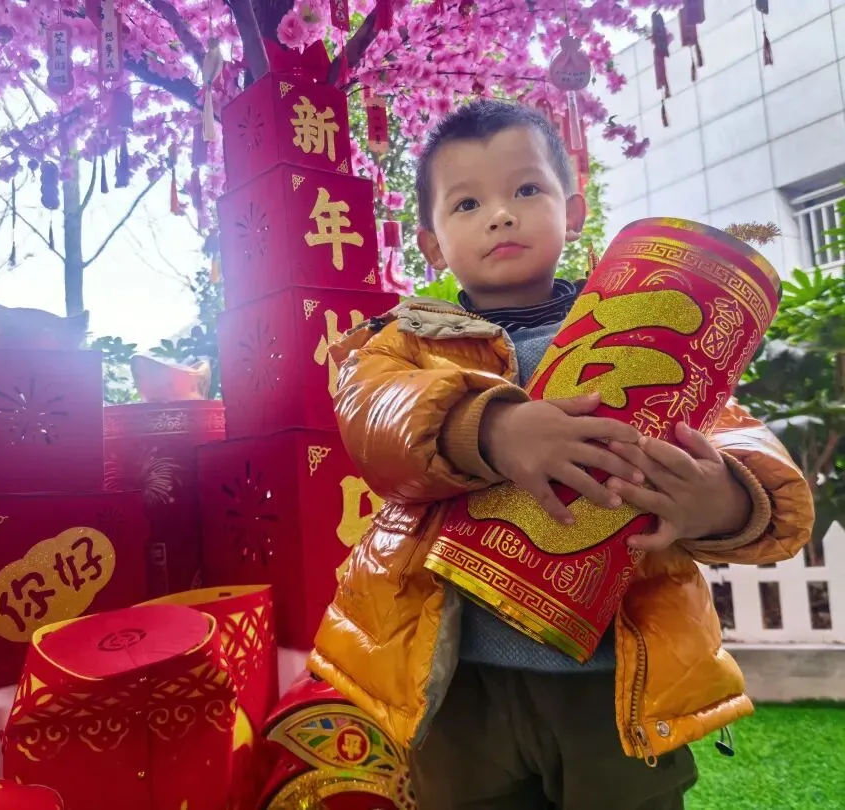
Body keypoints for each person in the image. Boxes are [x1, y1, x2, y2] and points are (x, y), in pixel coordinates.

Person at [307, 100, 814, 810]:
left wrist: (721, 499)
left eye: (526, 189)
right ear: (431, 244)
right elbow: (374, 417)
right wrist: (491, 429)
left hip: (615, 678)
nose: (500, 216)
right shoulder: (403, 343)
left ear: (572, 212)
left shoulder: (647, 333)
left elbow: (733, 435)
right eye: (467, 203)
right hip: (458, 678)